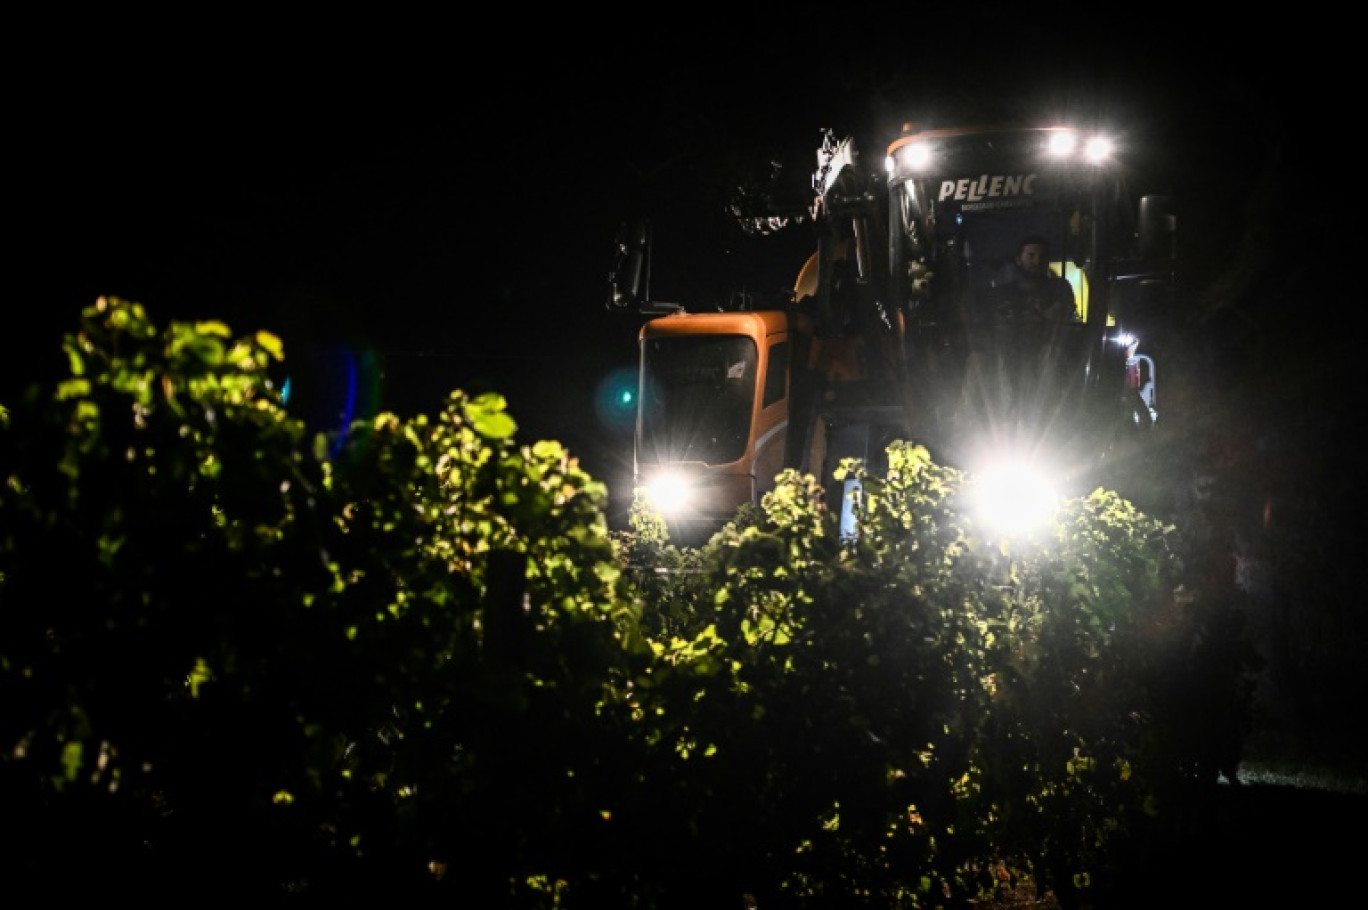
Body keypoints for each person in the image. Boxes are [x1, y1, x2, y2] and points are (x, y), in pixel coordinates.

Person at [986, 235, 1078, 324]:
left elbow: (1064, 316)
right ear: (1019, 260)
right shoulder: (1003, 293)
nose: (1037, 261)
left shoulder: (1060, 289)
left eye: (1042, 256)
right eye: (1031, 256)